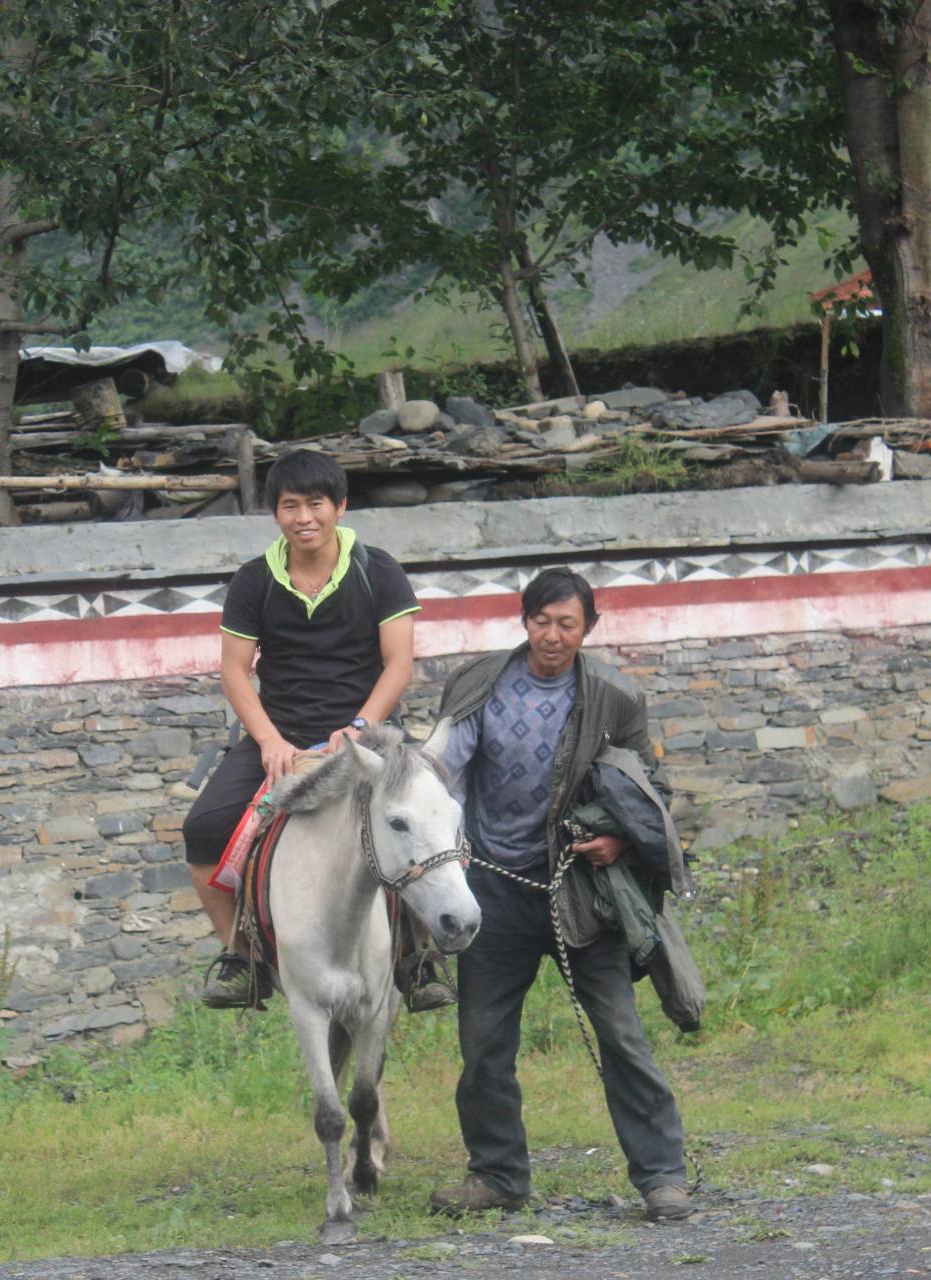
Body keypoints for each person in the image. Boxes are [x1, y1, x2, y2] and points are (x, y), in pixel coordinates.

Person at [429, 568, 693, 1222]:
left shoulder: (614, 697)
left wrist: (620, 843)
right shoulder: (479, 683)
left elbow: (644, 789)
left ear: (588, 629)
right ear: (524, 621)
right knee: (484, 1041)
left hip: (581, 892)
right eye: (541, 621)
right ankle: (496, 1175)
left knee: (621, 1035)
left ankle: (662, 1176)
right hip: (494, 889)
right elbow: (442, 767)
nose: (552, 636)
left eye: (566, 624)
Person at [182, 450, 432, 1009]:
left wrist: (361, 727)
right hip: (282, 734)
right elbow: (234, 670)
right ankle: (242, 957)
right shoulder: (254, 580)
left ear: (339, 507)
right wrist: (270, 740)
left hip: (371, 732)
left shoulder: (379, 570)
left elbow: (398, 664)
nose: (304, 518)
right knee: (203, 828)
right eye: (290, 506)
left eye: (315, 504)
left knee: (428, 821)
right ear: (275, 514)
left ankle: (419, 956)